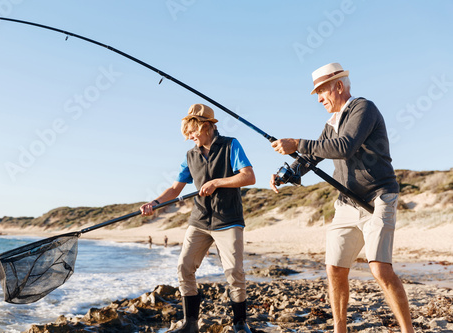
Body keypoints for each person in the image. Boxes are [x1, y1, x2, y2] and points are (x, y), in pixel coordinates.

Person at [270, 63, 414, 333]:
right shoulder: (330, 124)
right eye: (317, 94)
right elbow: (311, 157)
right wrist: (286, 172)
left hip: (379, 198)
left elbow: (344, 146)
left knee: (381, 270)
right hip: (347, 203)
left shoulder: (363, 108)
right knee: (335, 268)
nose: (320, 98)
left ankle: (409, 331)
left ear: (338, 86)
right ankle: (340, 330)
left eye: (322, 91)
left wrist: (297, 142)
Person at [140, 104, 255, 333]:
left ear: (205, 126)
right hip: (200, 220)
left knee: (234, 272)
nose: (191, 138)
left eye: (192, 132)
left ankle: (240, 324)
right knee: (184, 267)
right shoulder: (190, 155)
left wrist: (217, 182)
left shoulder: (231, 145)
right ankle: (190, 323)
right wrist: (154, 203)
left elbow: (248, 176)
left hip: (228, 219)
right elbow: (174, 190)